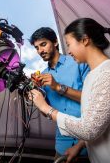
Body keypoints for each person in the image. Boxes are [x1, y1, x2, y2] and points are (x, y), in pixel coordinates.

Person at [29, 18, 110, 163]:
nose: (69, 51)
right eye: (36, 48)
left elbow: (89, 129)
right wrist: (38, 99)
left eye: (69, 44)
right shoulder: (94, 75)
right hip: (78, 147)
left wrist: (46, 107)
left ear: (85, 40)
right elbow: (96, 117)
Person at [29, 27, 90, 159]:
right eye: (37, 48)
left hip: (88, 143)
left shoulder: (78, 62)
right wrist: (37, 97)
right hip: (61, 146)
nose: (40, 51)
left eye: (43, 44)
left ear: (55, 42)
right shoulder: (43, 76)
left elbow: (92, 100)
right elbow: (47, 114)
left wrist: (57, 86)